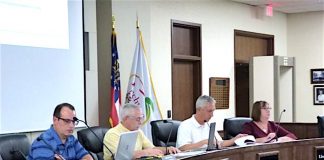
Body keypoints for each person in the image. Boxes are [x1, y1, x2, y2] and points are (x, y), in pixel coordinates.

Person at [103, 103, 180, 160]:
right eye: (138, 119)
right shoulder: (113, 134)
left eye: (142, 118)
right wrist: (146, 152)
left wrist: (167, 149)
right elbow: (121, 157)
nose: (141, 122)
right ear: (126, 118)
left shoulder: (138, 132)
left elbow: (152, 149)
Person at [176, 95, 247, 151]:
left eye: (213, 111)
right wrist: (204, 142)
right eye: (210, 111)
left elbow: (220, 143)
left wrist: (234, 139)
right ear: (199, 110)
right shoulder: (185, 125)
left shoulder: (208, 124)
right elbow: (182, 148)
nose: (212, 115)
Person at [28, 103, 93, 160]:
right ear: (55, 120)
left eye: (73, 121)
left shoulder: (71, 139)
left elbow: (88, 158)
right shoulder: (43, 143)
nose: (71, 125)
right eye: (67, 121)